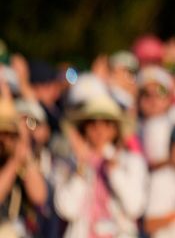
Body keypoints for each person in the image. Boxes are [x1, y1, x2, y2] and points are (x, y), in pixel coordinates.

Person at [53, 94, 148, 238]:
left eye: (107, 123)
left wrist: (115, 172)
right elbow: (67, 210)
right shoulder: (69, 163)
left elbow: (134, 207)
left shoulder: (131, 161)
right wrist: (81, 169)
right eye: (93, 123)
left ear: (116, 129)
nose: (99, 129)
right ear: (84, 128)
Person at [0, 98, 48, 238]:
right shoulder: (12, 162)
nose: (4, 139)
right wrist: (14, 162)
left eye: (10, 134)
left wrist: (24, 149)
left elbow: (39, 197)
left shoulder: (24, 158)